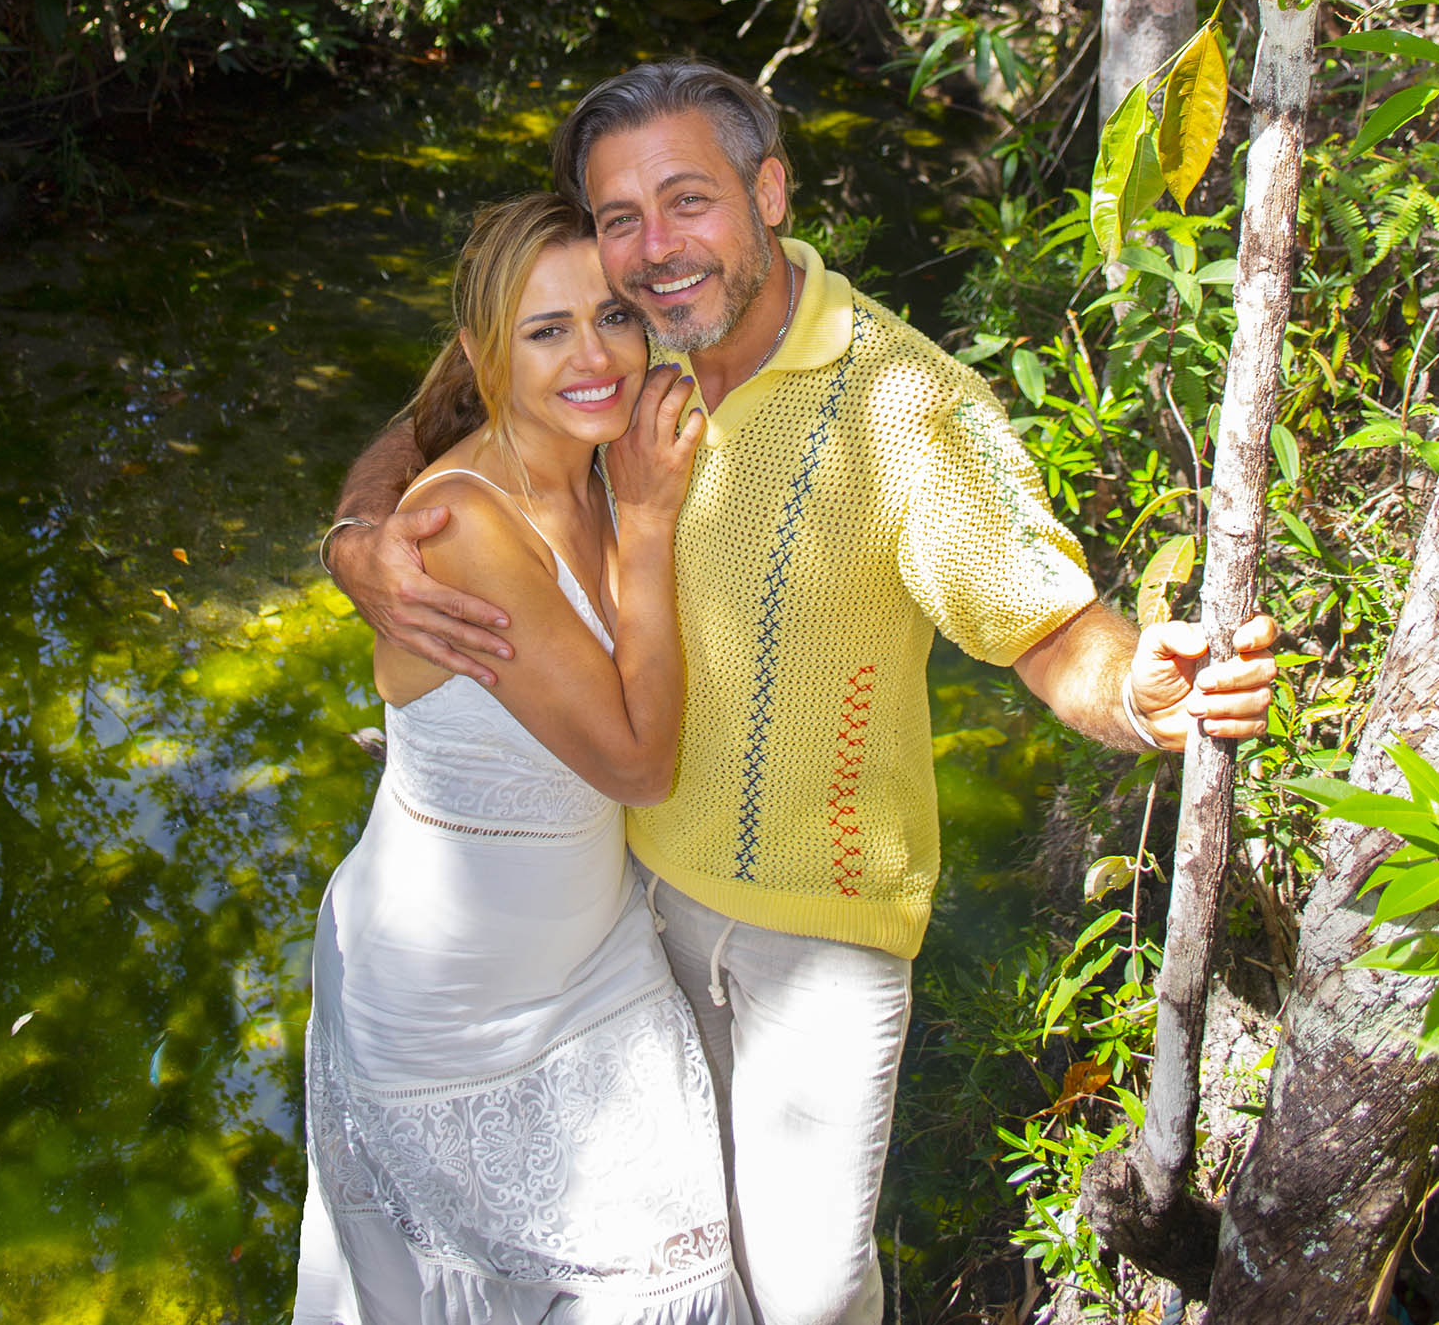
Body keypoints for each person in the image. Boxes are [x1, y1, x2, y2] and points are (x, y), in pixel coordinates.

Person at [324, 65, 1279, 1325]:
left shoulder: (905, 403)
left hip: (816, 930)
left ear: (767, 193)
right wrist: (356, 534)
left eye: (689, 202)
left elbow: (1042, 625)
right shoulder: (617, 337)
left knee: (812, 1290)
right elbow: (442, 402)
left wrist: (1136, 691)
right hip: (630, 912)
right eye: (624, 217)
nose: (658, 252)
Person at [294, 189, 751, 1325]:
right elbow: (638, 766)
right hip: (456, 1014)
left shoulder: (599, 440)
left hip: (599, 960)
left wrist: (348, 525)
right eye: (546, 332)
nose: (593, 355)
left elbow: (431, 415)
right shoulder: (468, 526)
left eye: (612, 316)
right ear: (486, 352)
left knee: (678, 1277)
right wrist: (647, 525)